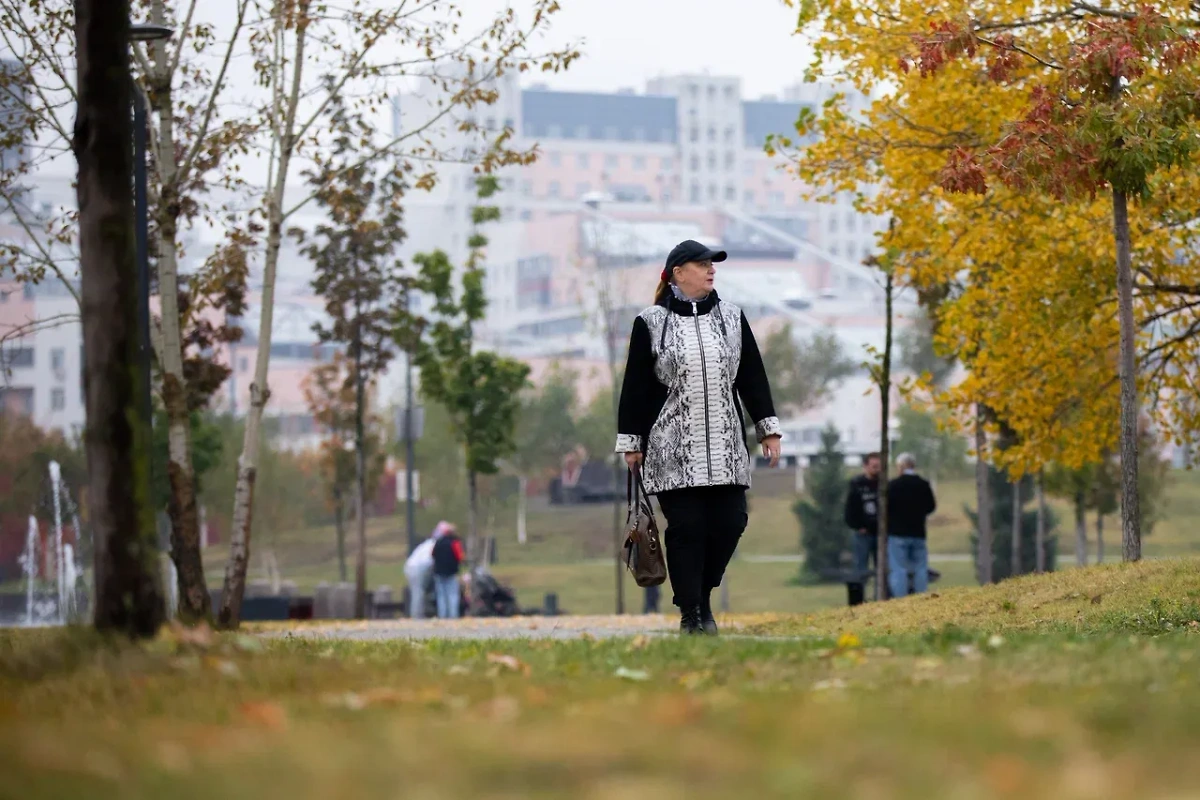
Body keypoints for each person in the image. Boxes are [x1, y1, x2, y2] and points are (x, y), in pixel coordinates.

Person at [616, 239, 782, 635]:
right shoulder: (652, 322)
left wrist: (768, 429)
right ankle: (692, 615)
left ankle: (700, 597)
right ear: (678, 272)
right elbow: (635, 387)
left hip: (726, 447)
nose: (711, 269)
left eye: (712, 264)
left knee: (730, 523)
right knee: (687, 530)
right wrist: (631, 443)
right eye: (702, 263)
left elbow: (752, 376)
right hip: (672, 449)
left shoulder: (731, 317)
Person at [886, 452, 937, 599]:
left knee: (899, 569)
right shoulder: (923, 484)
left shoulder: (893, 485)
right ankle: (920, 597)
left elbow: (886, 508)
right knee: (920, 568)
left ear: (901, 466)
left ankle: (900, 599)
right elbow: (931, 506)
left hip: (897, 533)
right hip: (918, 532)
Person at [844, 452, 882, 600]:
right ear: (866, 466)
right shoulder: (857, 484)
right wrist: (857, 526)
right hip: (863, 534)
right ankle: (859, 599)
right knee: (861, 567)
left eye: (879, 467)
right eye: (874, 466)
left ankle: (880, 597)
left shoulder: (883, 484)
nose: (877, 470)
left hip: (880, 533)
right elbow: (850, 509)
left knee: (881, 568)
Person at [404, 522, 450, 618]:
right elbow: (431, 560)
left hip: (413, 567)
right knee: (418, 592)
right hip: (417, 568)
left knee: (419, 592)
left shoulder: (428, 543)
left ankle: (418, 614)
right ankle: (417, 616)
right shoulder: (433, 544)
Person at [430, 523, 465, 618]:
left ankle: (442, 616)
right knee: (452, 595)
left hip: (439, 572)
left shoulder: (438, 542)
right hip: (451, 573)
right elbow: (460, 557)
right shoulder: (455, 543)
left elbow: (432, 554)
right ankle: (453, 616)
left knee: (441, 596)